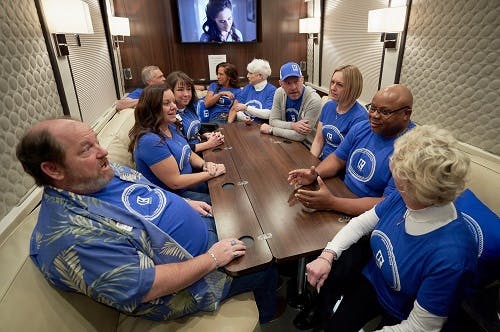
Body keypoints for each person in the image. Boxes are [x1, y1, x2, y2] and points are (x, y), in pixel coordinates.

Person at [16, 118, 278, 323]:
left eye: (97, 141)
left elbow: (147, 191)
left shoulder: (102, 173)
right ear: (53, 169)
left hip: (204, 229)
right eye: (87, 149)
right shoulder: (72, 239)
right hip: (190, 279)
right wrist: (212, 259)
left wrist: (186, 203)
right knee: (265, 266)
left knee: (257, 226)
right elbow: (147, 286)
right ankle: (270, 315)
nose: (103, 151)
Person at [305, 125, 477, 332]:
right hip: (373, 280)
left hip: (401, 310)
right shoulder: (402, 198)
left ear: (414, 188)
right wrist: (328, 254)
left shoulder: (451, 257)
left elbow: (420, 326)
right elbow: (361, 223)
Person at [288, 84, 415, 216]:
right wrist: (314, 174)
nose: (374, 115)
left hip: (368, 215)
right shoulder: (362, 127)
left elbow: (388, 204)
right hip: (341, 193)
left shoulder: (412, 149)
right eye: (373, 108)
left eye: (385, 112)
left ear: (406, 114)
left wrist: (332, 203)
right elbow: (337, 158)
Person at [129, 84, 225, 203]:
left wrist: (205, 165)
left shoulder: (171, 125)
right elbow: (175, 182)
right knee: (223, 202)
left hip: (190, 184)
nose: (174, 107)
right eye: (166, 103)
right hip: (175, 196)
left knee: (228, 191)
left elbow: (188, 152)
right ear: (151, 108)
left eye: (173, 102)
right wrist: (212, 173)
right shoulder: (149, 141)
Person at [310, 65, 368, 160]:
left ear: (352, 88)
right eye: (332, 82)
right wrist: (311, 164)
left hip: (339, 171)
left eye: (340, 85)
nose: (333, 88)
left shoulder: (360, 118)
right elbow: (318, 141)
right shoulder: (328, 106)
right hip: (321, 163)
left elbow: (350, 157)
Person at [261, 62, 321, 145]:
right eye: (288, 83)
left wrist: (272, 130)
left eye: (296, 82)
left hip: (308, 147)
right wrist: (292, 125)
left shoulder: (314, 100)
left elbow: (300, 136)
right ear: (281, 84)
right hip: (286, 141)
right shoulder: (279, 93)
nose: (293, 87)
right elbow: (273, 121)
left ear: (302, 80)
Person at [166, 71, 225, 153]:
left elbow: (198, 126)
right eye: (180, 90)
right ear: (170, 92)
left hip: (201, 147)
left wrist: (208, 135)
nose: (186, 94)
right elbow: (179, 148)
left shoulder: (189, 106)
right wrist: (209, 144)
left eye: (189, 89)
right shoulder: (170, 115)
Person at [228, 58, 277, 123]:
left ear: (260, 76)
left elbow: (268, 114)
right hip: (245, 126)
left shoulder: (272, 90)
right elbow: (238, 109)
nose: (247, 76)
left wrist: (247, 108)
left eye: (250, 73)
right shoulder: (247, 88)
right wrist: (244, 118)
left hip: (262, 127)